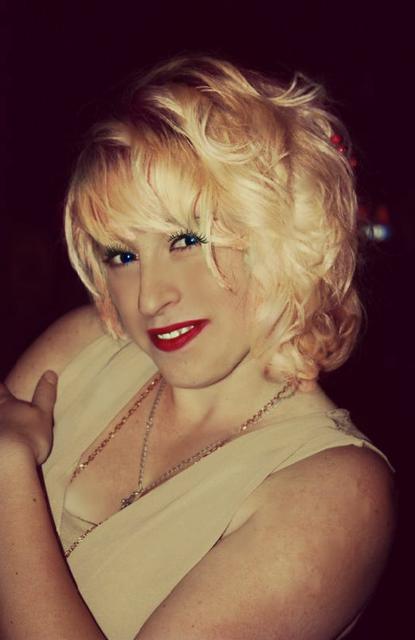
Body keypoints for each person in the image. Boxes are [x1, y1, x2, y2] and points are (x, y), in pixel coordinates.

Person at [0, 56, 395, 640]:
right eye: (122, 254)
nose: (149, 296)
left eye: (185, 239)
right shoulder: (82, 346)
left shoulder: (339, 492)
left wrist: (9, 472)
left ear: (279, 231)